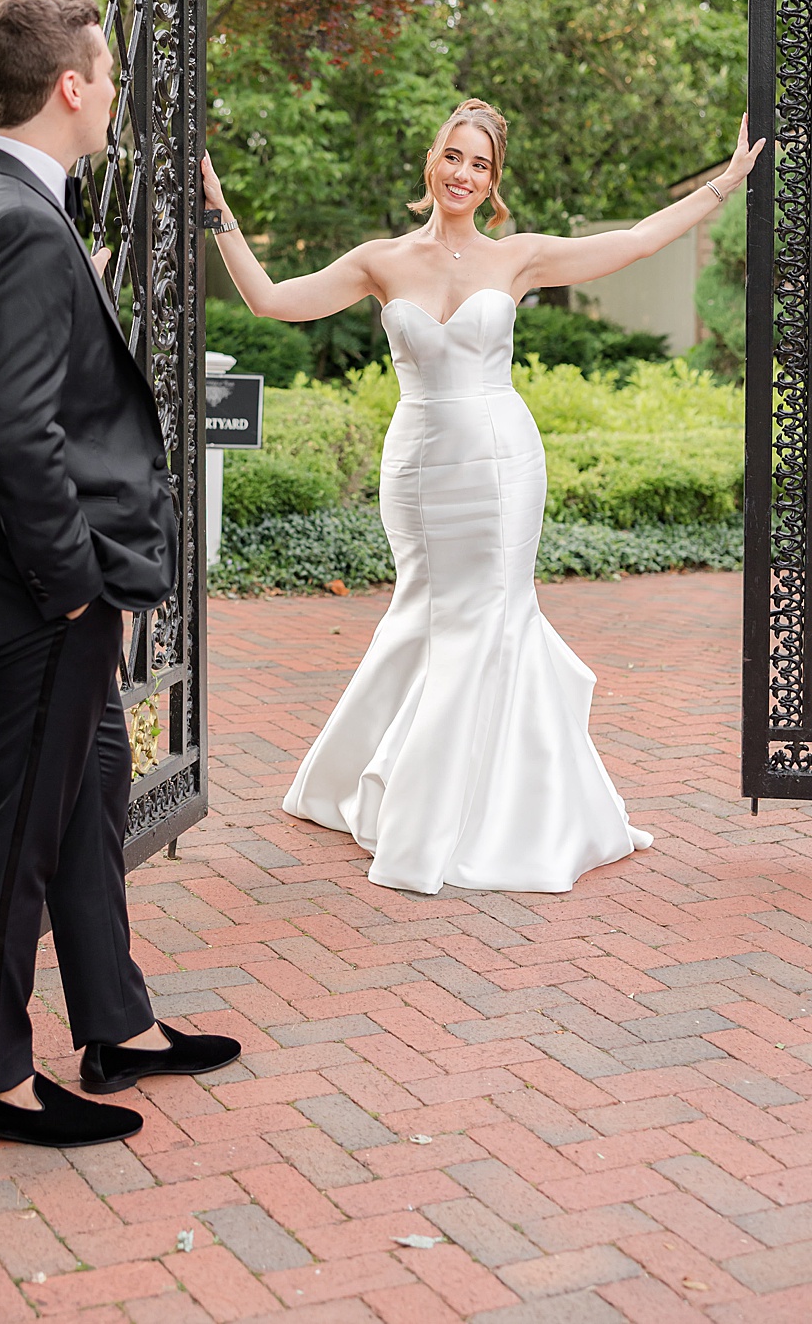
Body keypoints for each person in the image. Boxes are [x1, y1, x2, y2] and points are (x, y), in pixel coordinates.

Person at [201, 102, 763, 895]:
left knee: (492, 615)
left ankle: (473, 810)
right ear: (432, 162)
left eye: (481, 165)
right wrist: (218, 211)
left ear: (494, 181)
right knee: (424, 606)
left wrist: (725, 183)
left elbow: (634, 241)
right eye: (454, 158)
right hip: (417, 464)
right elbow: (270, 299)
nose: (464, 174)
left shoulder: (518, 259)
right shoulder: (381, 261)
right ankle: (380, 773)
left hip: (500, 463)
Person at [0, 0, 240, 1150]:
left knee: (94, 792)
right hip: (38, 593)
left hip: (34, 583)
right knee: (19, 833)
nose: (112, 93)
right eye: (104, 74)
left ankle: (114, 1021)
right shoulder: (11, 220)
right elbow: (11, 432)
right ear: (70, 86)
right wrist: (69, 583)